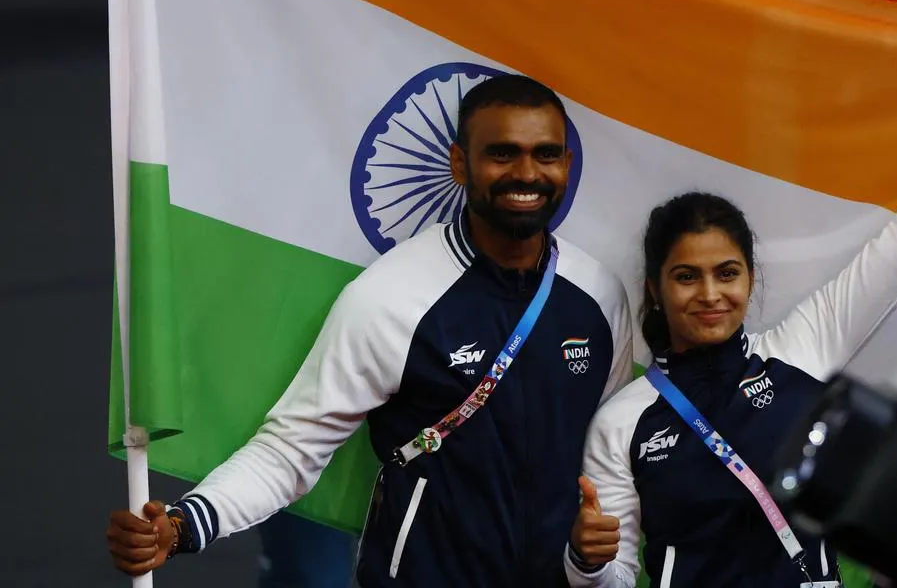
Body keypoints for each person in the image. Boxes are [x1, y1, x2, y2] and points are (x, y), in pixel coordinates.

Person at [565, 53, 897, 587]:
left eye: (726, 273)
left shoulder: (801, 347)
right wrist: (586, 561)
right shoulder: (624, 420)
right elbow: (610, 582)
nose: (710, 294)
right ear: (654, 292)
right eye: (687, 277)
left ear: (750, 280)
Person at [106, 75, 634, 587]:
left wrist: (602, 571)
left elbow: (610, 462)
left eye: (545, 154)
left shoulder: (599, 295)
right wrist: (181, 526)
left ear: (566, 164)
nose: (527, 172)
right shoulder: (390, 297)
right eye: (502, 153)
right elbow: (290, 450)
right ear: (459, 164)